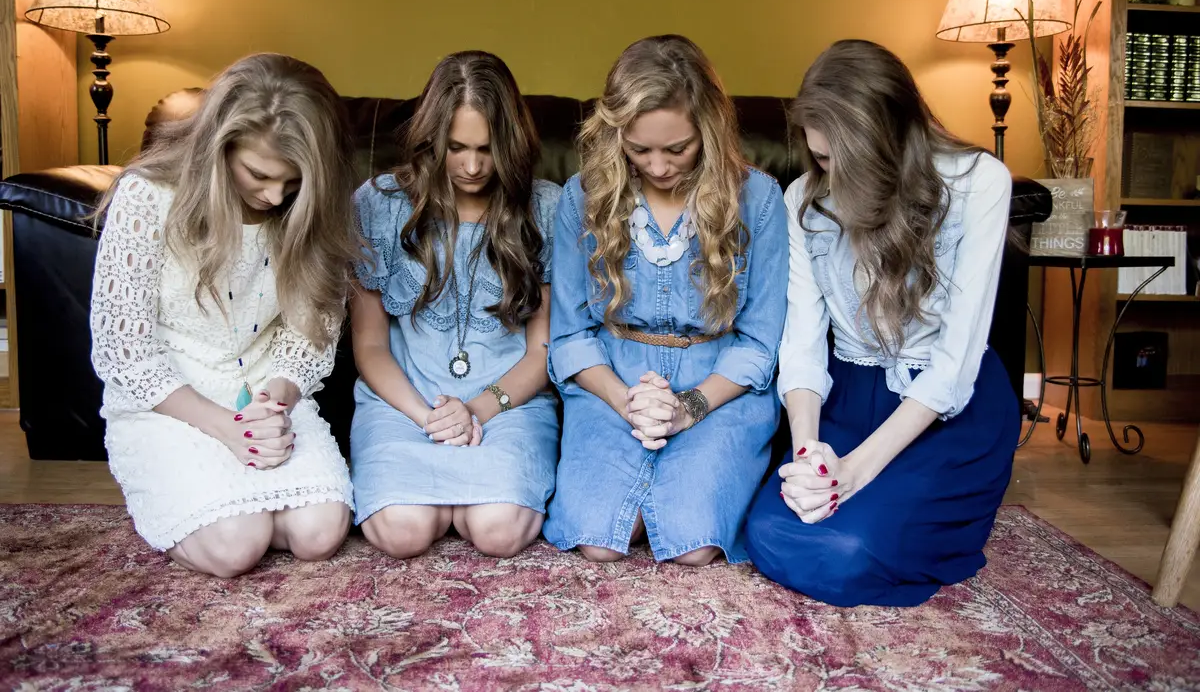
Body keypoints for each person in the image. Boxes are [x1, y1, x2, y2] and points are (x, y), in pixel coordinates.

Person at [744, 39, 1017, 607]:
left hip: (943, 410)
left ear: (895, 137)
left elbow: (955, 366)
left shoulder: (980, 184)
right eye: (821, 159)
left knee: (849, 552)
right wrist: (809, 454)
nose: (834, 178)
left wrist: (853, 474)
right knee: (770, 531)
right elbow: (801, 346)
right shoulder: (801, 202)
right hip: (844, 400)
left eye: (853, 160)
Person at [90, 53, 359, 577]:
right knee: (237, 546)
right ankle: (192, 502)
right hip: (169, 403)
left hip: (261, 400)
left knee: (320, 533)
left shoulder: (307, 210)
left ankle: (229, 503)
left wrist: (273, 399)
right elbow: (126, 351)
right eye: (258, 174)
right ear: (219, 145)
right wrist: (225, 429)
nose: (275, 195)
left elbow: (310, 333)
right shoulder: (146, 197)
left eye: (294, 182)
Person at [543, 34, 787, 566]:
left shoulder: (760, 199)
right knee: (600, 539)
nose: (658, 167)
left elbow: (761, 341)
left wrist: (688, 407)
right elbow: (568, 334)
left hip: (721, 389)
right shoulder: (581, 198)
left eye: (677, 148)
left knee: (692, 543)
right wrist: (627, 400)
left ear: (711, 130)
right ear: (615, 135)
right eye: (639, 149)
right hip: (613, 383)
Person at [350, 51, 561, 559]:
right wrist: (428, 418)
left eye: (488, 149)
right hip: (402, 405)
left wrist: (475, 411)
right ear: (430, 140)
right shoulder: (378, 203)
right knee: (402, 533)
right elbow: (371, 344)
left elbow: (543, 352)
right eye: (456, 148)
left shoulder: (549, 208)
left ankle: (465, 497)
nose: (471, 166)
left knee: (498, 531)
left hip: (510, 406)